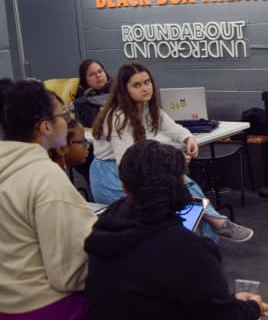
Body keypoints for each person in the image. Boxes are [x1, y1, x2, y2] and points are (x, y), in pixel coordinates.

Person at [84, 140, 268, 320]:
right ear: (183, 183)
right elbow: (218, 314)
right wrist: (250, 309)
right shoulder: (190, 250)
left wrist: (228, 304)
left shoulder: (105, 229)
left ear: (123, 186)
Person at [91, 62, 252, 242]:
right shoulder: (119, 117)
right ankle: (214, 225)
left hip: (136, 167)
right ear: (124, 89)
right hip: (114, 175)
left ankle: (205, 233)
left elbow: (172, 128)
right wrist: (168, 162)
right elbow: (126, 162)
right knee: (172, 197)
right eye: (137, 85)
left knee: (186, 186)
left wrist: (187, 138)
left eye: (147, 82)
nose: (145, 88)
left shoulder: (147, 107)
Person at [0, 79, 97, 319]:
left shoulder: (8, 169)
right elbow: (69, 272)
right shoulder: (45, 177)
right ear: (45, 127)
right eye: (63, 115)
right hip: (48, 307)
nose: (67, 120)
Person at [74, 59, 111, 128]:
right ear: (85, 80)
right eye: (91, 74)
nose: (98, 75)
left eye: (100, 71)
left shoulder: (121, 91)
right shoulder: (82, 102)